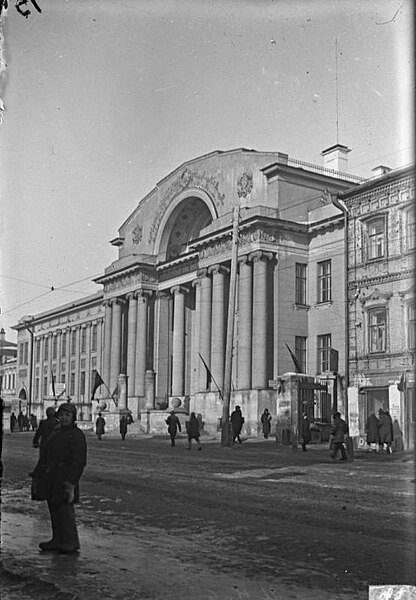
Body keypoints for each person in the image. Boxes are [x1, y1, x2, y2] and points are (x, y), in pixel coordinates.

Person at [38, 402, 87, 554]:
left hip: (66, 476)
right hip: (53, 475)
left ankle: (71, 541)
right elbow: (46, 453)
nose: (64, 418)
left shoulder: (77, 435)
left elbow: (79, 461)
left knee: (65, 510)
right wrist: (40, 471)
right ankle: (57, 539)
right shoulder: (56, 432)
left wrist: (71, 482)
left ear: (73, 417)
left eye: (67, 415)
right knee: (54, 507)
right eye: (62, 415)